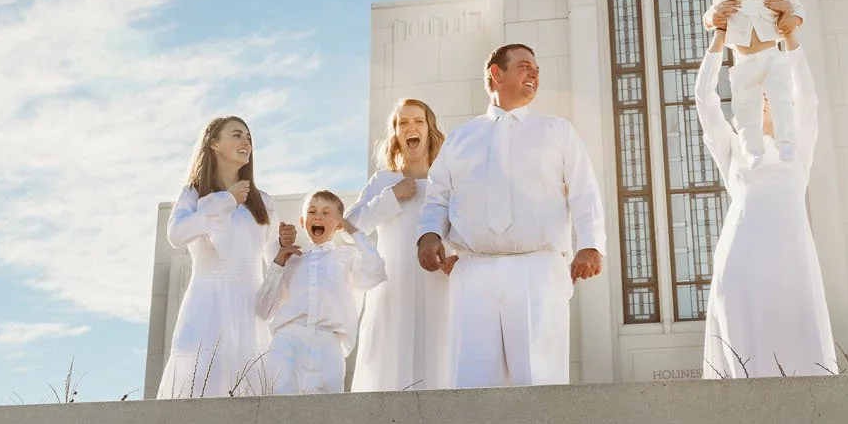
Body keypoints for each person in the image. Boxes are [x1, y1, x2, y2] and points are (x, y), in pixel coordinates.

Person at [416, 44, 606, 388]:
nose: (533, 73)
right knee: (472, 382)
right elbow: (437, 197)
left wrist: (590, 245)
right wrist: (429, 235)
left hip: (538, 268)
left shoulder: (557, 131)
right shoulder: (460, 138)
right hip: (472, 271)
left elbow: (584, 192)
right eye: (523, 66)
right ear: (496, 74)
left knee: (540, 381)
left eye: (536, 68)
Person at [694, 3, 835, 379]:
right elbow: (704, 101)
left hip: (791, 256)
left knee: (798, 339)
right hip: (742, 254)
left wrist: (791, 38)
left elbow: (808, 98)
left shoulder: (797, 146)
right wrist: (719, 41)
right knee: (743, 341)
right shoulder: (733, 146)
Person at [158, 116, 289, 398]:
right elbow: (176, 234)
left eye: (249, 137)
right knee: (201, 388)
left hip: (250, 312)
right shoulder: (193, 194)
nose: (246, 142)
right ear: (214, 144)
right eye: (237, 135)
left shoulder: (264, 202)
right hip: (207, 307)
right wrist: (226, 200)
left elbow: (273, 261)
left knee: (251, 394)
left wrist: (285, 250)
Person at [346, 98, 454, 392]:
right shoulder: (384, 181)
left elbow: (465, 228)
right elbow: (349, 226)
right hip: (393, 289)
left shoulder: (446, 182)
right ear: (395, 134)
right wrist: (391, 197)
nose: (411, 127)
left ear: (429, 129)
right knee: (390, 369)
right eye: (403, 122)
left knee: (439, 363)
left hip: (440, 288)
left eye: (418, 121)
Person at [256, 190, 386, 395]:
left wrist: (355, 232)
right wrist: (279, 261)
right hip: (288, 341)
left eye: (327, 213)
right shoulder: (290, 257)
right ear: (302, 221)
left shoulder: (347, 258)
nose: (318, 216)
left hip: (330, 344)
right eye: (312, 211)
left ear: (339, 224)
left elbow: (375, 271)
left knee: (327, 411)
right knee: (279, 404)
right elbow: (263, 310)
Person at [703, 0, 806, 163]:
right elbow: (708, 18)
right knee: (745, 105)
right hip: (744, 61)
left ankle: (786, 142)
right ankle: (752, 150)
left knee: (781, 98)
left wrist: (791, 16)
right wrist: (716, 18)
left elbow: (798, 10)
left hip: (772, 57)